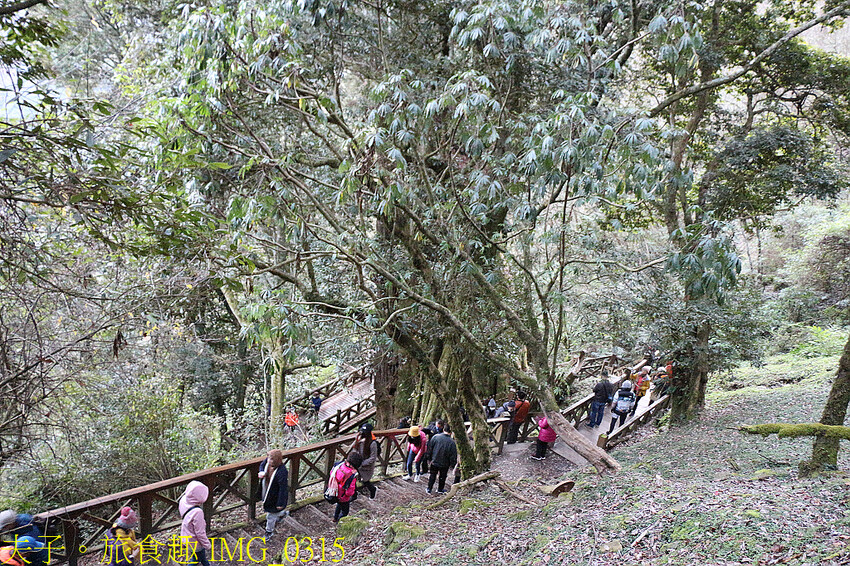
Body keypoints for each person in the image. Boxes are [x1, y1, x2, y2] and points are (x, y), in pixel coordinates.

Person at [257, 449, 289, 539]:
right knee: (273, 512)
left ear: (276, 460)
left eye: (271, 459)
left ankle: (269, 531)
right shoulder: (267, 462)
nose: (268, 460)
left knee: (270, 515)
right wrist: (261, 471)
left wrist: (280, 503)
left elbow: (283, 489)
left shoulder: (282, 471)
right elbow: (262, 465)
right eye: (268, 458)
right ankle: (282, 514)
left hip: (274, 496)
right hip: (266, 490)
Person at [178, 481, 212, 566]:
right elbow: (200, 533)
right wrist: (207, 545)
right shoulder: (197, 512)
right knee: (196, 559)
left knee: (199, 556)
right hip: (195, 541)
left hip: (185, 535)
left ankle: (206, 564)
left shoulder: (183, 500)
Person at [330, 452, 363, 522]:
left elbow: (331, 473)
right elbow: (349, 491)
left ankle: (335, 518)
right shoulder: (351, 475)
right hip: (343, 496)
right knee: (345, 511)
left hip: (335, 492)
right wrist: (350, 494)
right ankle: (339, 521)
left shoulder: (339, 465)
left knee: (339, 504)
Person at [424, 426, 457, 494]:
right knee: (443, 476)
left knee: (432, 475)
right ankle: (440, 489)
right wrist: (453, 464)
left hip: (434, 460)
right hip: (445, 463)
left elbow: (430, 448)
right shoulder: (452, 442)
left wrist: (429, 458)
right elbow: (453, 455)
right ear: (451, 432)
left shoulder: (435, 437)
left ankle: (429, 488)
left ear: (443, 429)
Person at [350, 423, 379, 499]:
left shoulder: (373, 443)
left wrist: (362, 464)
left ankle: (373, 490)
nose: (362, 433)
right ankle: (353, 494)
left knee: (365, 481)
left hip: (366, 467)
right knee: (352, 478)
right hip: (357, 464)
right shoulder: (359, 439)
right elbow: (354, 449)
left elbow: (373, 458)